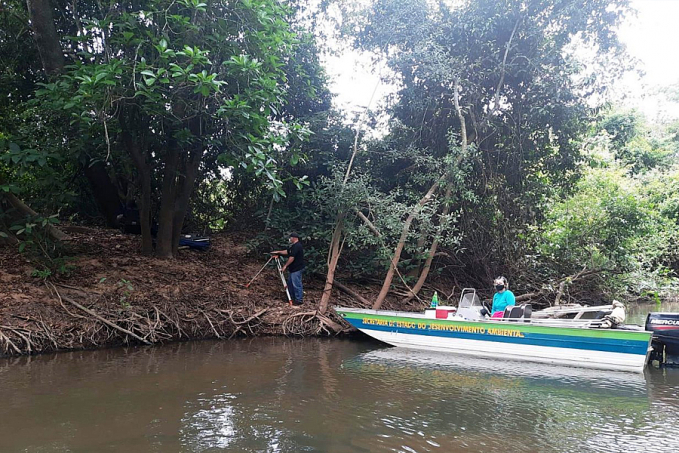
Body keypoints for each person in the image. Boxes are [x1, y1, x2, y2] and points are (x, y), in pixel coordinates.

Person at [272, 233, 305, 306]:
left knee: (296, 284)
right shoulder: (293, 246)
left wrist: (285, 266)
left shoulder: (297, 246)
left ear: (294, 238)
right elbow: (287, 251)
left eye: (290, 238)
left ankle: (299, 300)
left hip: (297, 268)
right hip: (293, 269)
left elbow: (291, 257)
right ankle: (291, 297)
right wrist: (279, 252)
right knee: (290, 284)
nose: (290, 239)